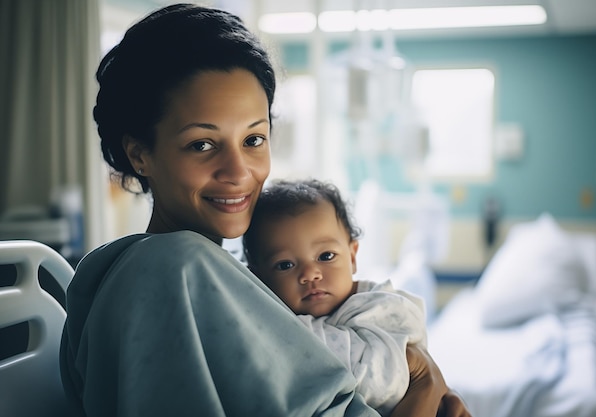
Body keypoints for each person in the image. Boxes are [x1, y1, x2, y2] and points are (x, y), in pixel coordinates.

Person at [59, 3, 471, 417]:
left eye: (254, 139)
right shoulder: (172, 268)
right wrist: (421, 388)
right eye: (202, 144)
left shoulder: (213, 278)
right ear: (139, 154)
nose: (239, 172)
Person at [243, 179, 429, 416]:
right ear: (258, 280)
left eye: (326, 255)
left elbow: (379, 384)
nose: (310, 274)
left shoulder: (383, 308)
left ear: (352, 257)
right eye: (285, 264)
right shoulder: (272, 321)